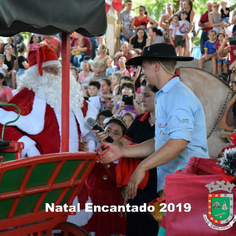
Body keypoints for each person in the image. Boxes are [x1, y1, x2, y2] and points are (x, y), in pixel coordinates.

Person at [99, 43, 209, 201]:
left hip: (187, 184)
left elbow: (178, 143)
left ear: (156, 66)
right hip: (173, 183)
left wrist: (143, 166)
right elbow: (162, 141)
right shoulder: (165, 95)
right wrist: (123, 151)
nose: (142, 72)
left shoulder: (178, 96)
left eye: (143, 67)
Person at [0, 45, 98, 157]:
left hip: (74, 164)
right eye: (50, 69)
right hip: (42, 166)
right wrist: (28, 148)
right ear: (36, 73)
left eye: (57, 68)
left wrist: (89, 141)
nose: (56, 73)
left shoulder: (72, 95)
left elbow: (90, 123)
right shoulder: (27, 95)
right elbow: (2, 125)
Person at [96, 79, 159, 236]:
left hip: (155, 185)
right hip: (134, 185)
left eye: (147, 96)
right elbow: (122, 146)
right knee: (132, 228)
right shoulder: (140, 120)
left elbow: (159, 148)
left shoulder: (167, 122)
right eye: (141, 95)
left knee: (149, 229)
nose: (141, 99)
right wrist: (107, 138)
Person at [82, 118, 127, 236]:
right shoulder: (92, 148)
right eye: (108, 130)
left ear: (122, 139)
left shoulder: (122, 157)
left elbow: (118, 179)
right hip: (90, 197)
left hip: (110, 200)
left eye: (116, 133)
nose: (110, 135)